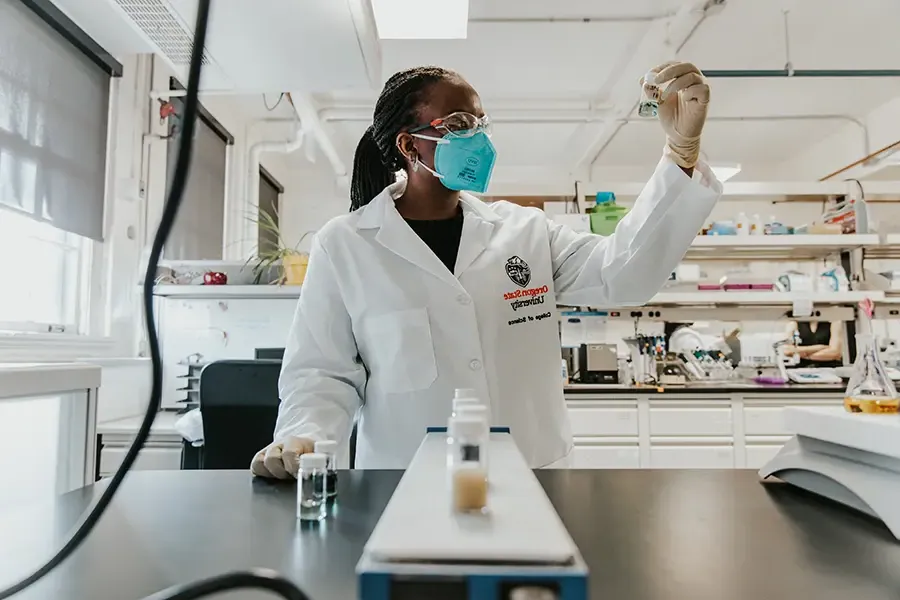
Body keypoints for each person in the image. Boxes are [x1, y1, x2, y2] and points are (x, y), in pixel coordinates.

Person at [251, 63, 721, 477]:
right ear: (408, 145)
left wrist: (681, 153)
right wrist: (305, 437)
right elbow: (322, 373)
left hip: (532, 471)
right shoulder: (347, 244)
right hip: (407, 479)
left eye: (479, 123)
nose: (476, 136)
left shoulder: (525, 231)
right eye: (457, 124)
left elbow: (625, 274)